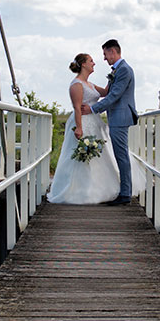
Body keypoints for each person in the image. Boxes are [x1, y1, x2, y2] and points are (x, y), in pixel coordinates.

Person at [46, 53, 122, 204]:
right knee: (81, 157)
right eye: (91, 61)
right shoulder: (77, 84)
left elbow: (105, 93)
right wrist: (79, 128)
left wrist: (112, 77)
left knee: (98, 156)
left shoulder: (90, 84)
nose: (94, 63)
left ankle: (98, 188)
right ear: (83, 64)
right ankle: (79, 191)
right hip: (83, 122)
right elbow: (77, 108)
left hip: (95, 122)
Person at [84, 39, 139, 205]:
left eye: (105, 54)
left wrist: (93, 109)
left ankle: (125, 195)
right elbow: (108, 92)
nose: (104, 58)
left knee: (121, 156)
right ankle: (124, 192)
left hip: (120, 118)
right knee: (120, 155)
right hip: (117, 117)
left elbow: (114, 95)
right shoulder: (118, 69)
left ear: (113, 52)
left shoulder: (124, 70)